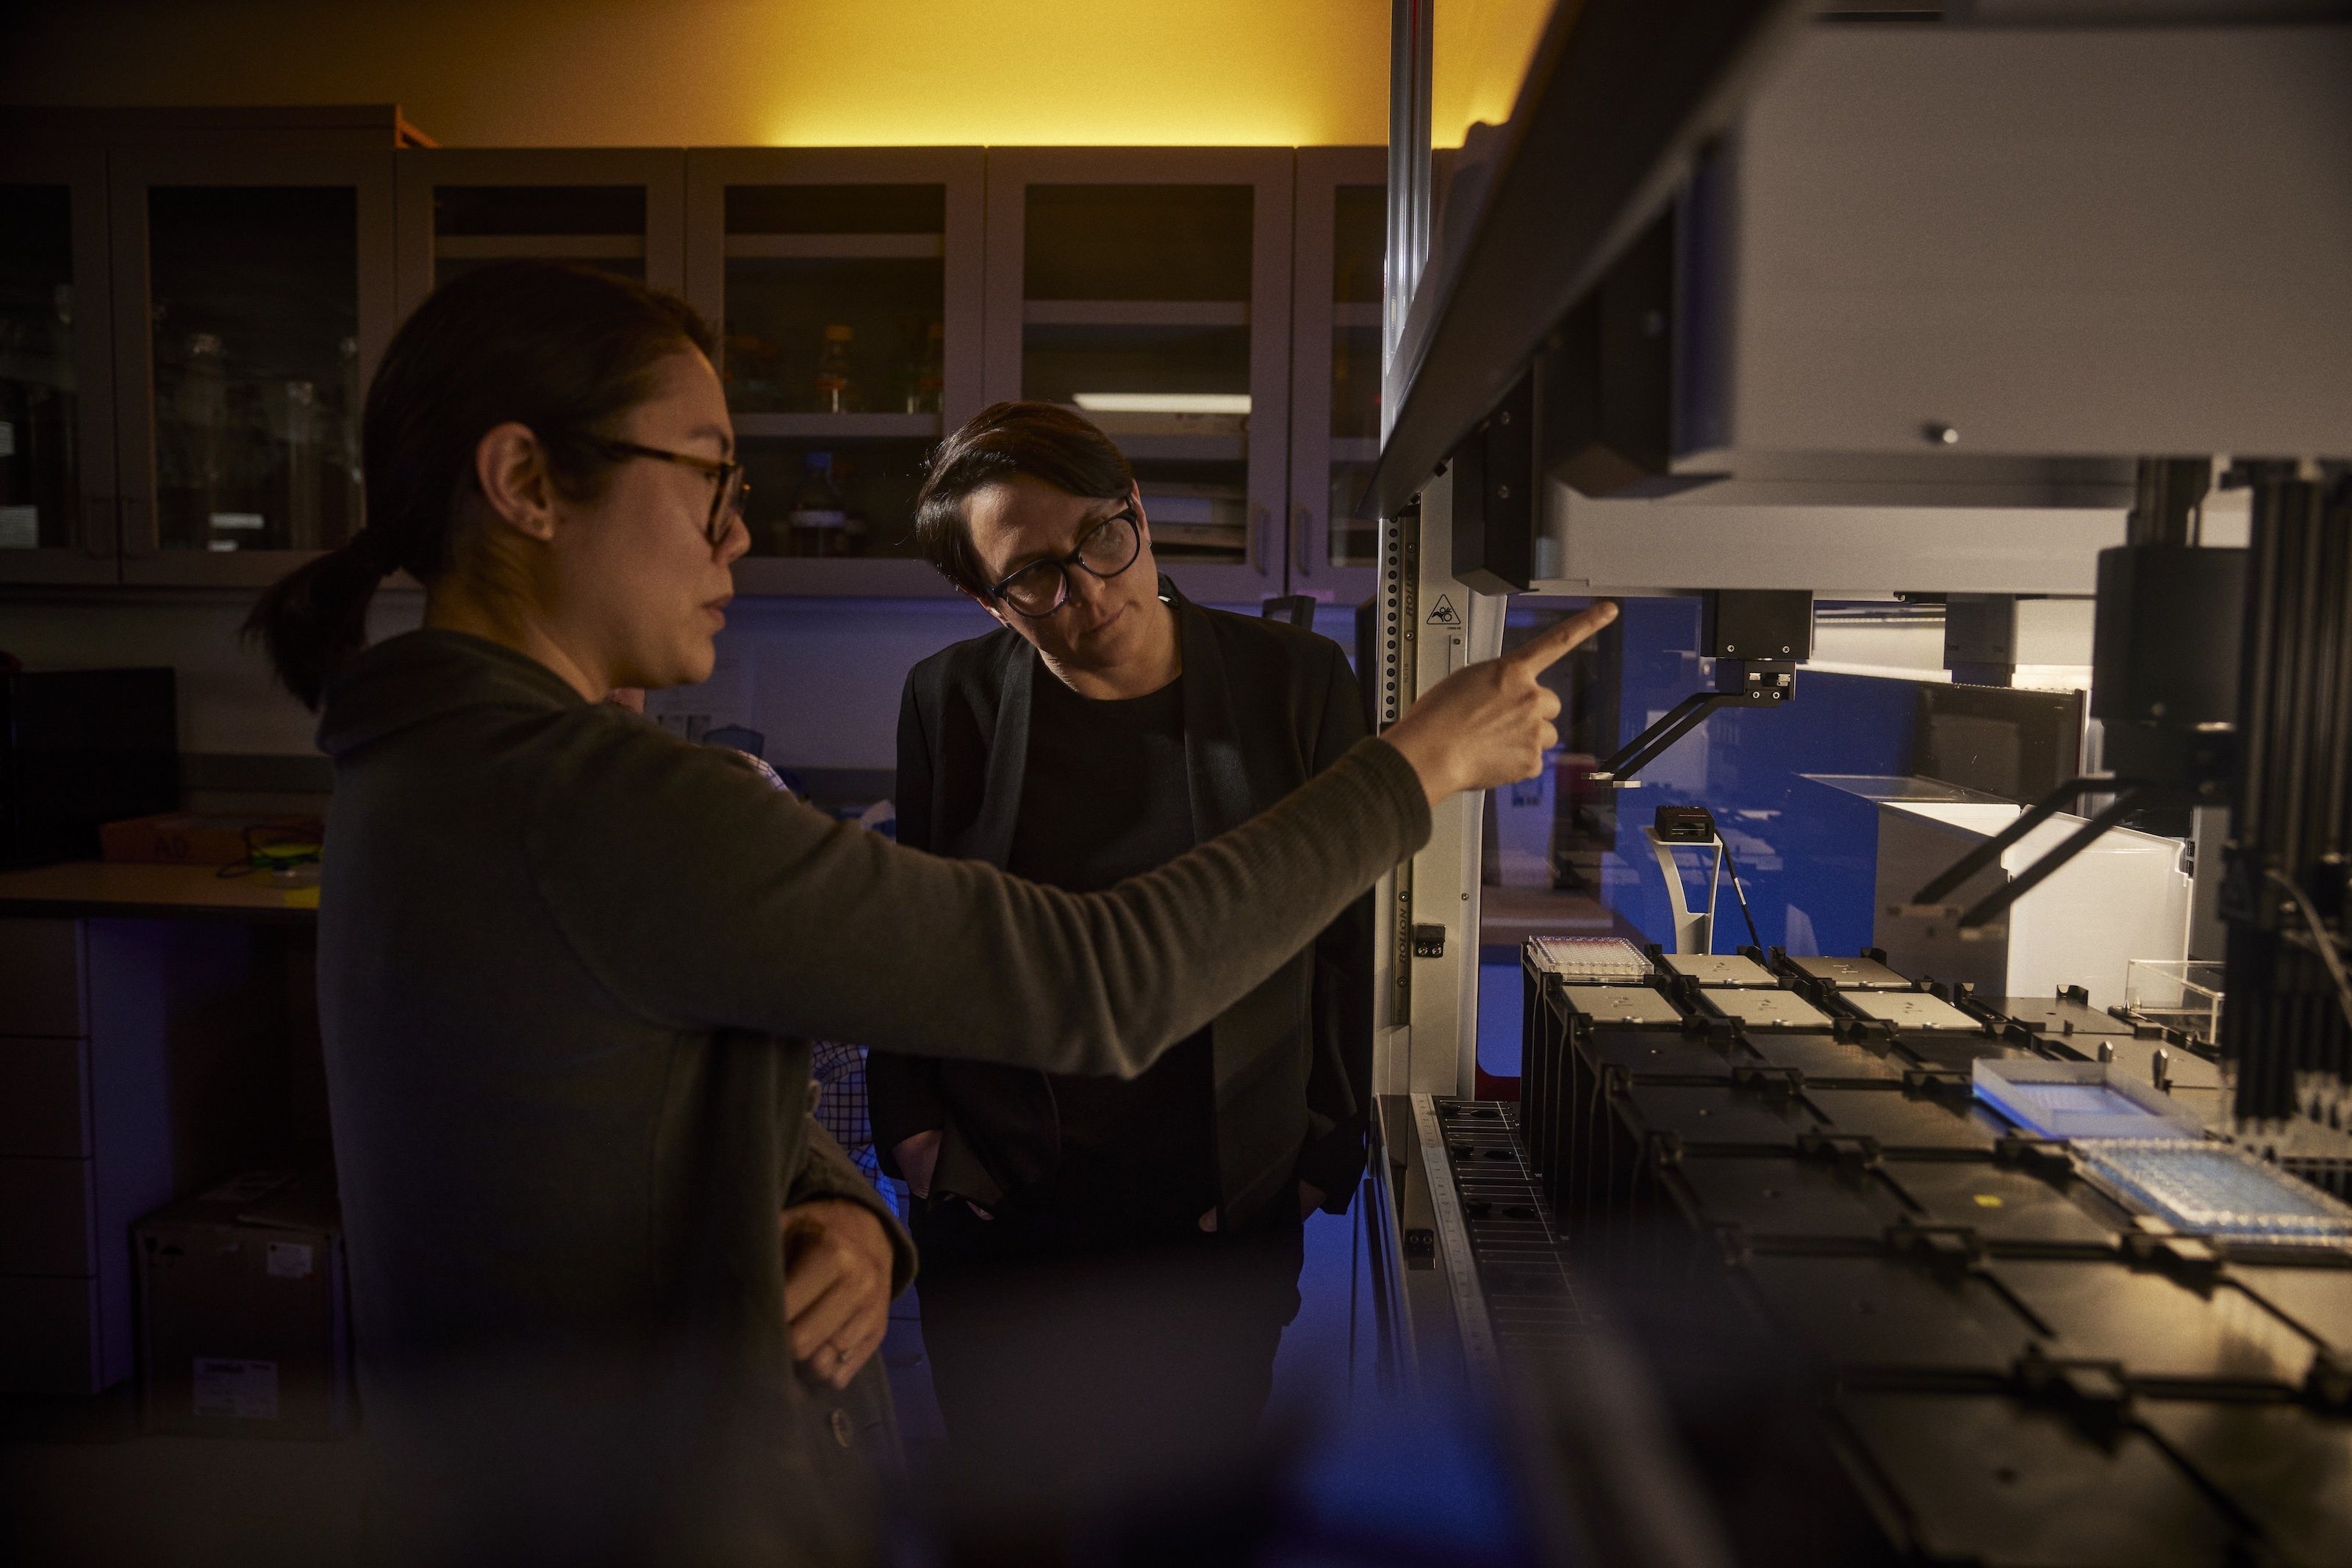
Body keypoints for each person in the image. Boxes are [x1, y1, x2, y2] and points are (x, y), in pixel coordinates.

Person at [243, 259, 1613, 1564]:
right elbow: (1100, 980)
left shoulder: (416, 763)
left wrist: (845, 1212)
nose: (738, 529)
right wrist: (1420, 760)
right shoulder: (609, 799)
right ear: (528, 482)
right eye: (710, 473)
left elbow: (646, 1118)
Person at [867, 403, 1372, 1514]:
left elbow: (1343, 935)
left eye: (1103, 538)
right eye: (1035, 577)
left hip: (1211, 1214)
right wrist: (915, 1129)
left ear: (1136, 509)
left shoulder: (1298, 684)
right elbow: (915, 933)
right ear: (985, 599)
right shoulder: (947, 699)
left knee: (1188, 1518)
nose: (1090, 592)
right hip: (1000, 1203)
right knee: (1009, 1516)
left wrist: (1323, 1145)